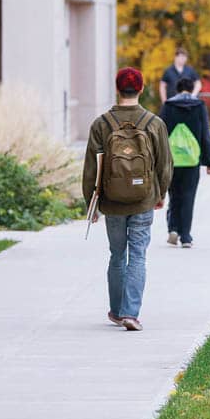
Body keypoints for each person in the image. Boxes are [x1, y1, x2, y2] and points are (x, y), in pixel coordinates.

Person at [82, 67, 173, 332]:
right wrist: (161, 194)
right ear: (141, 89)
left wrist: (92, 204)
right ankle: (131, 314)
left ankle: (117, 311)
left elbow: (90, 169)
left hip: (112, 202)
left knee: (117, 255)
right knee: (138, 256)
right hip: (144, 200)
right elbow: (165, 165)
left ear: (117, 89)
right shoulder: (154, 123)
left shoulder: (101, 124)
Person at [159, 77, 210, 248]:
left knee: (174, 195)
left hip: (172, 160)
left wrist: (159, 159)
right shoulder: (199, 106)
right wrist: (208, 161)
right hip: (192, 160)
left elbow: (160, 134)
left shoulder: (168, 106)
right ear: (191, 89)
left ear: (177, 89)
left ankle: (173, 229)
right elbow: (205, 134)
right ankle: (186, 237)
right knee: (188, 196)